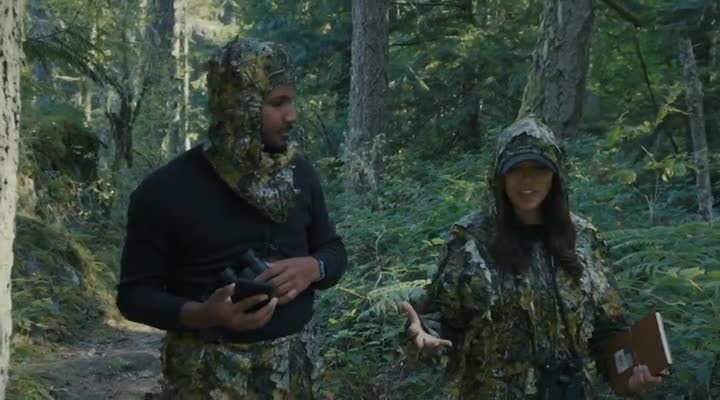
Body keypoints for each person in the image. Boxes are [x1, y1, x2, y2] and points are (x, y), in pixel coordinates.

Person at [116, 37, 347, 399]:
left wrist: (312, 268)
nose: (292, 115)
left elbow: (333, 251)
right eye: (278, 103)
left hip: (296, 375)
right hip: (204, 378)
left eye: (291, 100)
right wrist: (206, 314)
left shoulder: (299, 173)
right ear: (240, 105)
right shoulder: (165, 189)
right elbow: (134, 296)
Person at [400, 116, 661, 399]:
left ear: (555, 175)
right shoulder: (470, 241)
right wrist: (422, 333)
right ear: (500, 176)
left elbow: (609, 329)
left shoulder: (584, 239)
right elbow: (439, 316)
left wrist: (630, 379)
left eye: (539, 168)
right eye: (515, 169)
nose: (527, 180)